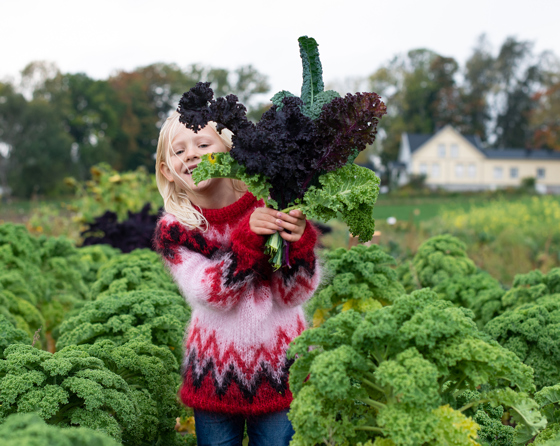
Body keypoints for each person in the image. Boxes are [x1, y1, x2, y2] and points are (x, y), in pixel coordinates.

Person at [153, 111, 321, 446]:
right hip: (213, 371)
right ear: (166, 171)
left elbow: (295, 294)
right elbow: (212, 293)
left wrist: (299, 241)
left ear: (231, 153)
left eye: (203, 143)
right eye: (179, 150)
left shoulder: (270, 204)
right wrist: (247, 237)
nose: (193, 154)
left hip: (281, 365)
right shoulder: (175, 229)